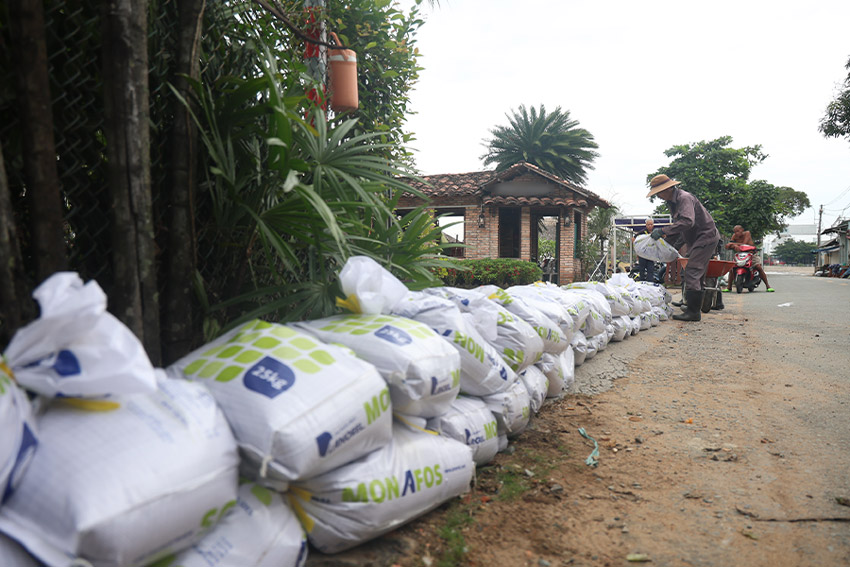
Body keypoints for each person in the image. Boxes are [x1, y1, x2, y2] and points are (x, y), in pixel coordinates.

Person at [646, 174, 720, 322]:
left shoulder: (683, 198)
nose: (659, 196)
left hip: (705, 237)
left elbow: (687, 222)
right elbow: (680, 228)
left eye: (659, 193)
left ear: (667, 189)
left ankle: (693, 313)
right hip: (696, 239)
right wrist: (667, 244)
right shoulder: (673, 202)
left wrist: (663, 231)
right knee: (695, 273)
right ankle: (694, 307)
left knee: (692, 271)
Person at [724, 225, 774, 292]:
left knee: (758, 267)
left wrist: (734, 244)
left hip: (751, 254)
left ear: (742, 230)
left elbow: (743, 244)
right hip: (740, 255)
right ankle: (729, 287)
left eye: (738, 231)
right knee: (732, 268)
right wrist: (730, 245)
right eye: (735, 232)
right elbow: (728, 246)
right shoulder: (734, 236)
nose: (736, 233)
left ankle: (767, 286)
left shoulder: (747, 233)